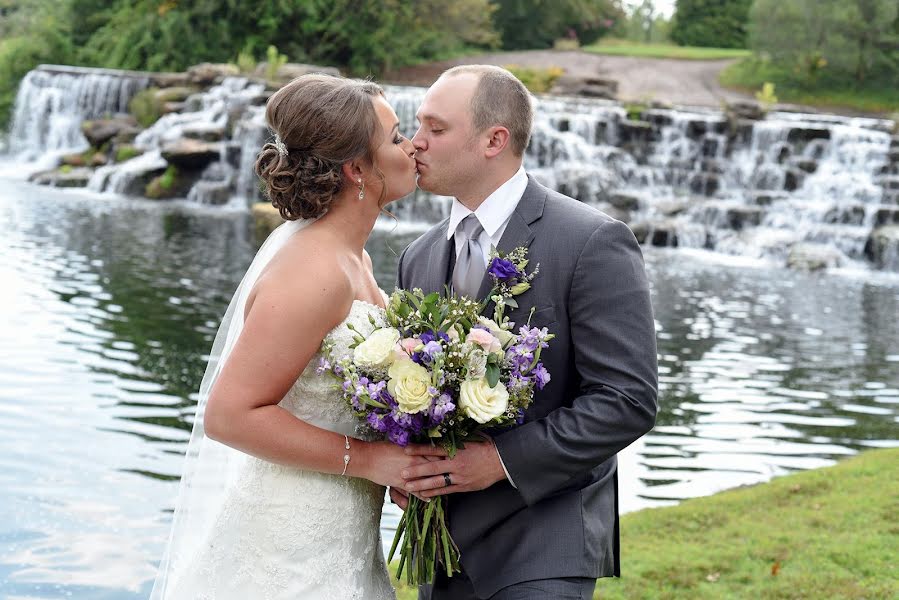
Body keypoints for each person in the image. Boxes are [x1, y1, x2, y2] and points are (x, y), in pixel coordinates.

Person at [149, 73, 425, 600]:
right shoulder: (312, 270)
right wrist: (370, 460)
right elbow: (230, 415)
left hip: (343, 532)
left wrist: (401, 450)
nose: (410, 146)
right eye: (394, 137)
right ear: (356, 169)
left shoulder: (354, 259)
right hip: (289, 547)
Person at [394, 65, 659, 600]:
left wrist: (497, 461)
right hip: (441, 552)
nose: (414, 143)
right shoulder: (417, 257)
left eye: (436, 129)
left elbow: (626, 399)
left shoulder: (592, 241)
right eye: (417, 125)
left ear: (494, 140)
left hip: (544, 545)